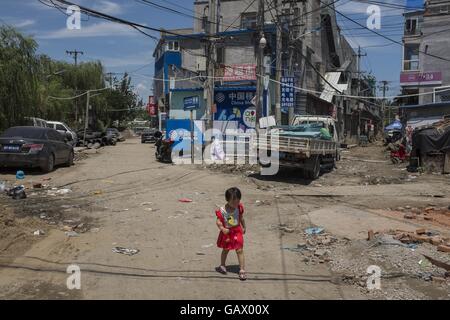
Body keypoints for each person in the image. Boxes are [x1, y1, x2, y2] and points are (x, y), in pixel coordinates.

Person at [215, 187, 247, 281]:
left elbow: (241, 218)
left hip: (237, 231)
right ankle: (222, 265)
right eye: (233, 202)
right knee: (226, 249)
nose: (235, 204)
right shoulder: (222, 210)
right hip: (227, 233)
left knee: (239, 250)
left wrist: (244, 227)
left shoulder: (239, 208)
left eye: (237, 201)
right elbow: (218, 222)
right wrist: (222, 228)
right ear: (227, 200)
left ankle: (242, 270)